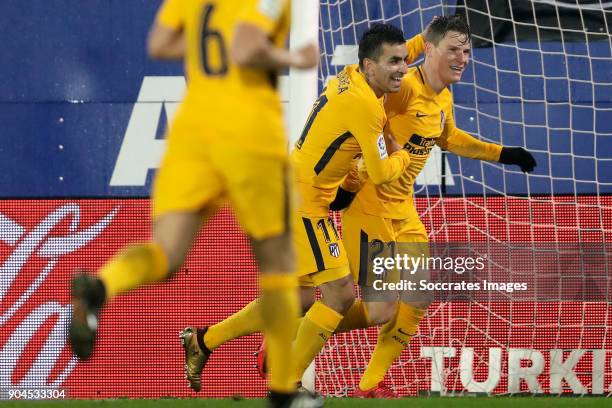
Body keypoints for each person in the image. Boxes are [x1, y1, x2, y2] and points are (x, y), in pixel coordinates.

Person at [67, 0, 320, 406]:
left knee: (165, 253)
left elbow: (160, 43)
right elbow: (244, 47)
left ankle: (101, 285)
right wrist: (295, 56)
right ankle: (283, 391)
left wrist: (208, 48)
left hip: (193, 134)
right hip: (250, 134)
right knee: (279, 265)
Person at [178, 23, 430, 388]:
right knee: (341, 294)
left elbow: (388, 58)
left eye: (404, 61)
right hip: (304, 201)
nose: (402, 69)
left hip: (295, 192)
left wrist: (426, 39)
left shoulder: (350, 78)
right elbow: (380, 173)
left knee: (295, 300)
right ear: (369, 65)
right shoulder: (366, 106)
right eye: (392, 62)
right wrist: (409, 155)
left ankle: (203, 341)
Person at [336, 15, 537, 397]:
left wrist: (503, 153)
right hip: (368, 207)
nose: (462, 58)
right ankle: (298, 334)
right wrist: (347, 179)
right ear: (428, 50)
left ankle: (368, 386)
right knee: (380, 310)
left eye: (466, 50)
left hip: (403, 210)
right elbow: (358, 109)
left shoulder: (441, 96)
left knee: (416, 297)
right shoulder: (402, 88)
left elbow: (449, 138)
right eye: (452, 50)